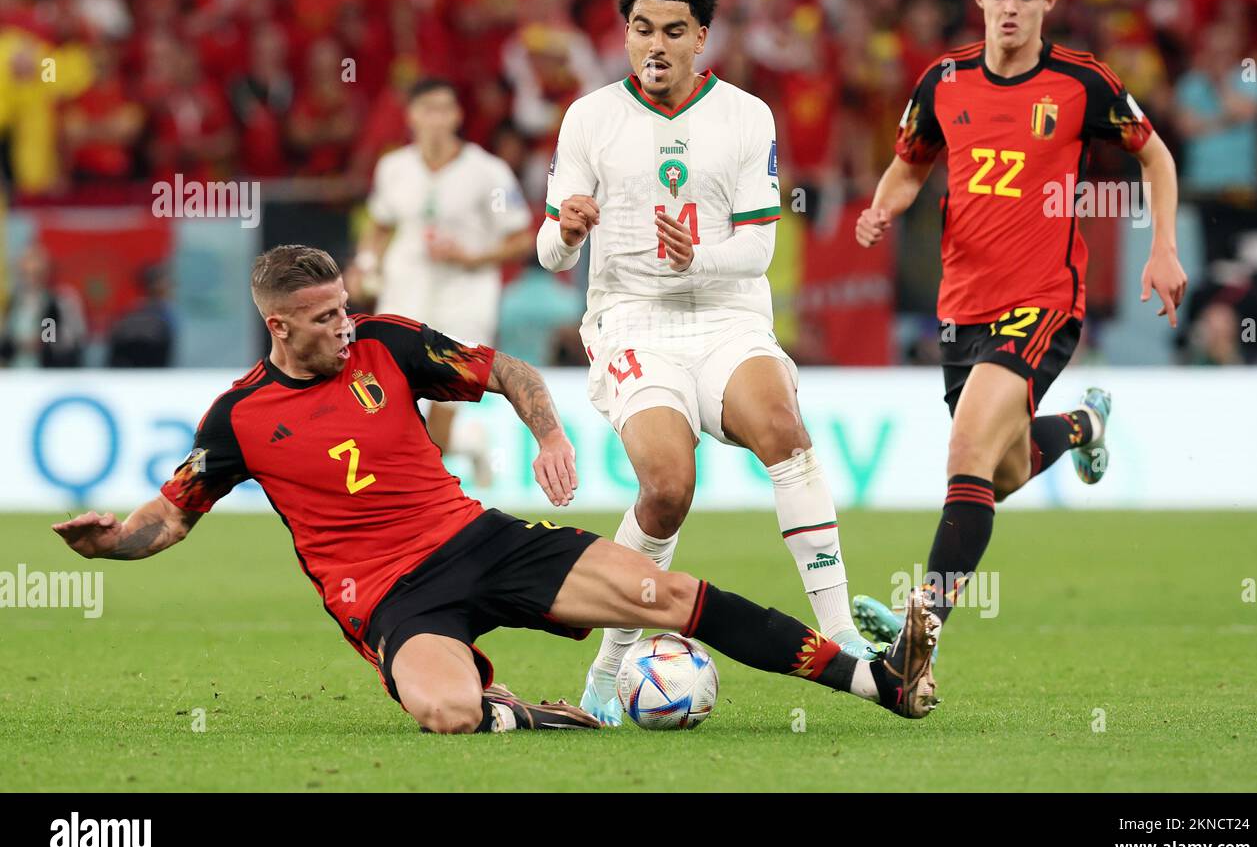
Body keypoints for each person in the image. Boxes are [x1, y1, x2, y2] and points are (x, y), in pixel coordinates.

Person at [51, 245, 942, 732]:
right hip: (392, 598)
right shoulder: (238, 417)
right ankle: (511, 712)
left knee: (665, 594)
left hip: (476, 538)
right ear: (279, 325)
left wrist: (547, 429)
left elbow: (507, 369)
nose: (344, 323)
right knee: (443, 711)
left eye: (345, 305)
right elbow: (169, 515)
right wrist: (111, 543)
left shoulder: (388, 344)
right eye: (324, 318)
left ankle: (874, 681)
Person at [536, 0, 880, 727]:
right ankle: (607, 667)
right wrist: (564, 231)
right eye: (639, 28)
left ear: (701, 37)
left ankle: (840, 628)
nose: (653, 44)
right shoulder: (590, 117)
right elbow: (549, 255)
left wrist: (698, 257)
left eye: (670, 30)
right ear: (625, 34)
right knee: (665, 487)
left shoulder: (746, 115)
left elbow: (758, 248)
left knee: (785, 430)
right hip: (631, 321)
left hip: (726, 315)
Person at [852, 0, 1187, 653]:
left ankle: (920, 632)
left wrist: (1161, 246)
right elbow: (909, 165)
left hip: (1043, 301)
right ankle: (1084, 427)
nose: (1009, 10)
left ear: (1050, 3)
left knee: (965, 451)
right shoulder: (943, 81)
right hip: (960, 307)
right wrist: (883, 207)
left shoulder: (1082, 83)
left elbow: (1155, 157)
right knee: (996, 474)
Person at [356, 78, 534, 485]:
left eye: (445, 109)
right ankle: (466, 447)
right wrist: (366, 263)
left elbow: (521, 237)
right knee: (387, 406)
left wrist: (473, 257)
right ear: (412, 116)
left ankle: (462, 446)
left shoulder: (488, 173)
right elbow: (380, 225)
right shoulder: (393, 168)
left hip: (465, 300)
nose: (436, 119)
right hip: (404, 295)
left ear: (457, 115)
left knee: (439, 419)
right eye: (427, 109)